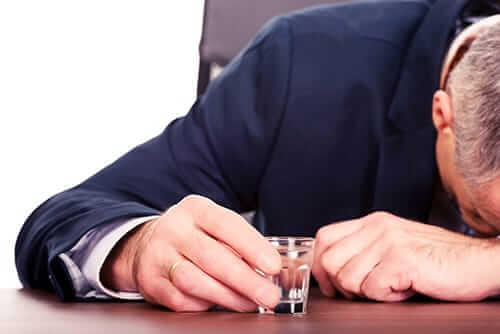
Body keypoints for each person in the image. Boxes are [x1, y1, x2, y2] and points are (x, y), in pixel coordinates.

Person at [15, 0, 500, 312]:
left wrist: (485, 261)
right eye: (481, 218)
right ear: (443, 115)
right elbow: (65, 218)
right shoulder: (301, 65)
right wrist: (137, 248)